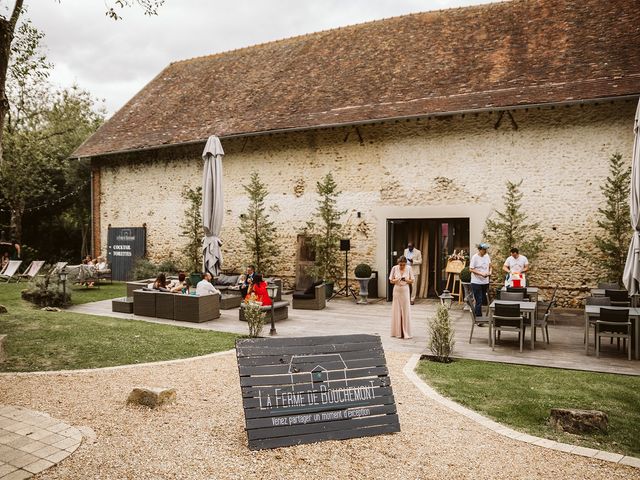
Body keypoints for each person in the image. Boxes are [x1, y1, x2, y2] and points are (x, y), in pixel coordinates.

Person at [389, 256, 414, 339]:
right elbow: (391, 281)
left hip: (405, 291)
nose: (401, 266)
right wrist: (396, 280)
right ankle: (397, 332)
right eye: (400, 265)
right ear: (398, 263)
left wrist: (406, 280)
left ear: (405, 264)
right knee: (396, 310)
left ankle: (405, 332)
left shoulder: (409, 268)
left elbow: (412, 280)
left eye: (403, 265)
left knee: (405, 310)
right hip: (396, 291)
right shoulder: (394, 268)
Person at [469, 243, 492, 318]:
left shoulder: (487, 256)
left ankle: (476, 314)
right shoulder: (475, 257)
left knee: (484, 300)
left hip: (485, 282)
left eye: (486, 249)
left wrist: (490, 272)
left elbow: (490, 266)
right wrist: (481, 274)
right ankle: (478, 318)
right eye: (483, 250)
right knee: (479, 300)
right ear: (479, 249)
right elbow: (471, 269)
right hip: (476, 282)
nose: (485, 251)